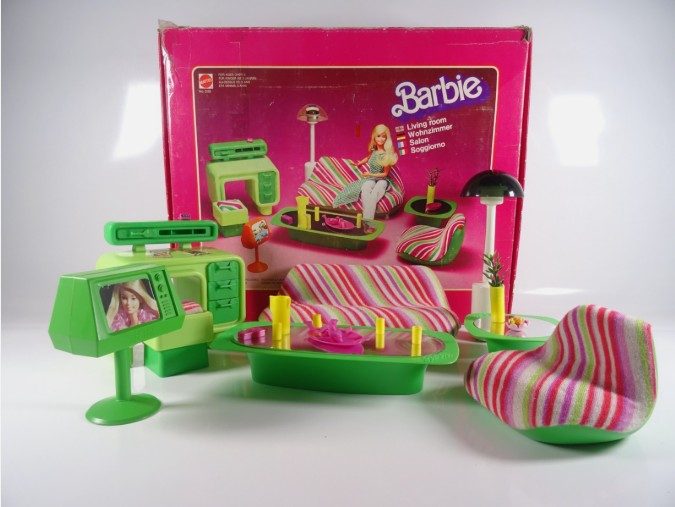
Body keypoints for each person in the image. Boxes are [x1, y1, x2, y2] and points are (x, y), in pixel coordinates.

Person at [332, 124, 398, 220]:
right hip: (371, 178)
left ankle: (367, 221)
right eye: (378, 136)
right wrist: (359, 163)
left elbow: (385, 174)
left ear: (386, 139)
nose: (381, 139)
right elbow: (368, 158)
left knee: (376, 191)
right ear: (374, 136)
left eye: (384, 136)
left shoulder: (386, 155)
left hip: (383, 180)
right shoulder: (374, 150)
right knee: (365, 189)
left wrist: (369, 174)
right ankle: (368, 220)